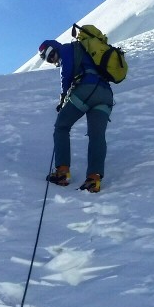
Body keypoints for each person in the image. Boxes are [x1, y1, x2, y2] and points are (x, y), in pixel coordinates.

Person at [38, 24, 115, 193]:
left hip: (86, 90)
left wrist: (63, 96)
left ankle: (62, 172)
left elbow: (65, 74)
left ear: (55, 48)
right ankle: (94, 179)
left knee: (61, 126)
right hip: (105, 95)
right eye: (49, 59)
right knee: (97, 135)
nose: (52, 60)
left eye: (51, 55)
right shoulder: (84, 50)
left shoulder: (67, 49)